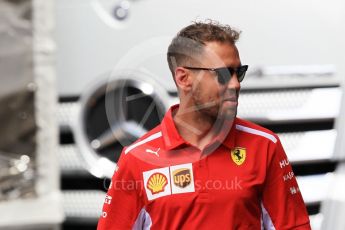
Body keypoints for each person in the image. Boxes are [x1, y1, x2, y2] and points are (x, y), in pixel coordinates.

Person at [97, 20, 311, 229]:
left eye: (239, 73)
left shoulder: (265, 146)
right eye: (223, 74)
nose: (235, 84)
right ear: (183, 78)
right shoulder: (136, 158)